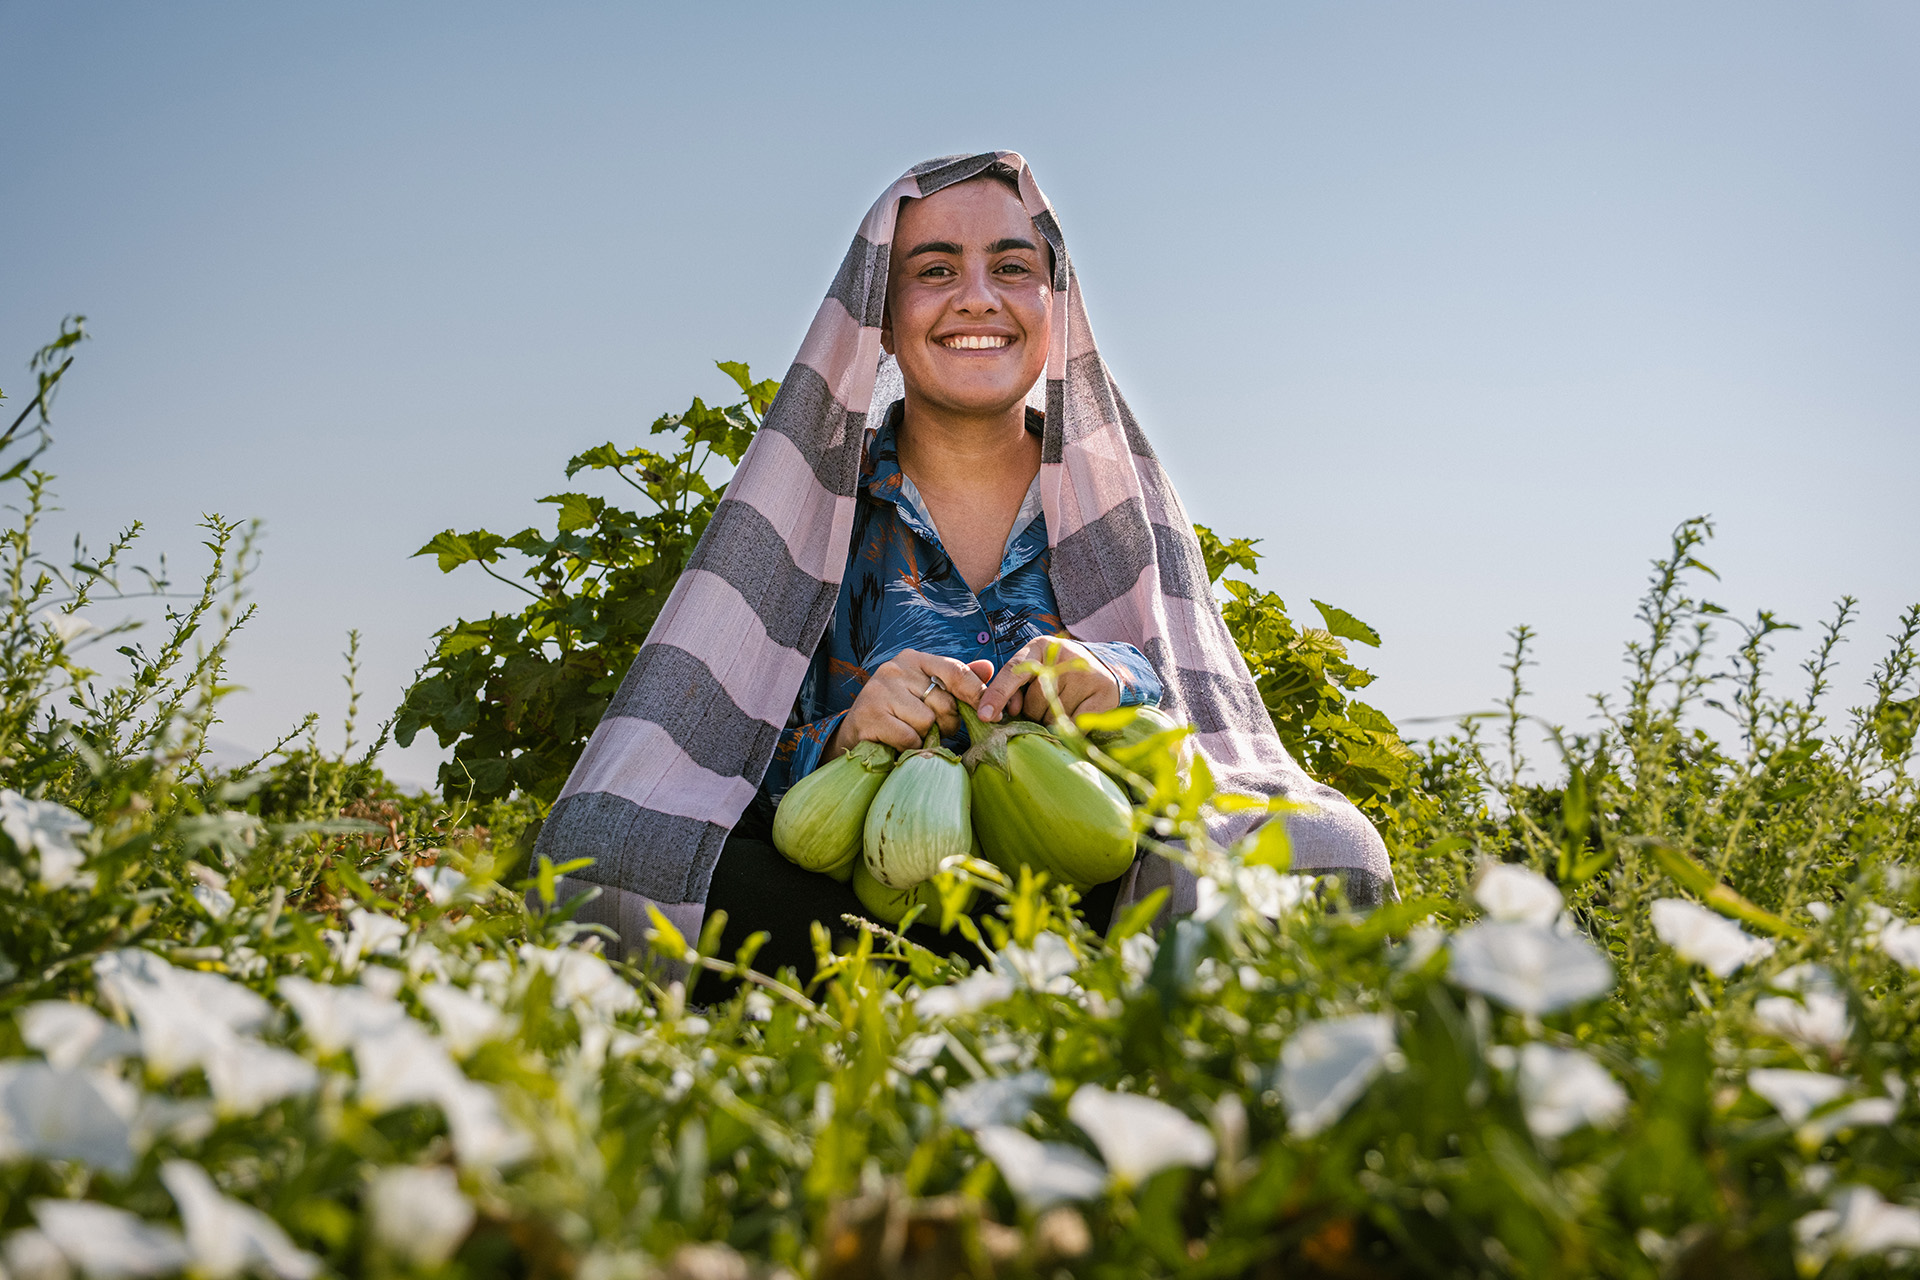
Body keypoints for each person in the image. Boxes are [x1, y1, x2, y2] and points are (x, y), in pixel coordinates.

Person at [533, 152, 1395, 989]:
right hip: (855, 890)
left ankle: (919, 994)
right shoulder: (819, 506)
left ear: (1052, 303)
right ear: (882, 308)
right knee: (606, 852)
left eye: (1011, 267)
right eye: (935, 270)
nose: (977, 298)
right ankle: (1033, 999)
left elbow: (1194, 729)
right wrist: (845, 734)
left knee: (1326, 853)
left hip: (1090, 891)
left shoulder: (1112, 500)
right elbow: (721, 757)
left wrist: (1111, 677)